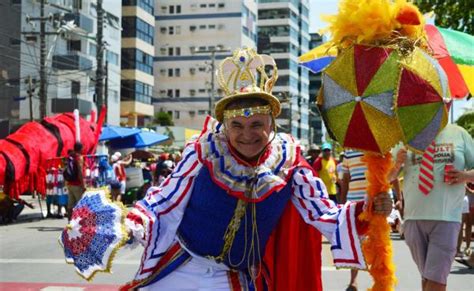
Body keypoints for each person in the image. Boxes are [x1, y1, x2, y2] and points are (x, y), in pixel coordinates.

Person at [121, 48, 393, 290]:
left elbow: (322, 212)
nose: (246, 135)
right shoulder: (202, 152)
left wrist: (367, 210)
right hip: (183, 266)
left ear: (271, 124)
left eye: (256, 125)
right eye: (236, 125)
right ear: (225, 126)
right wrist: (132, 225)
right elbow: (164, 200)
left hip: (237, 278)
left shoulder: (289, 162)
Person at [390, 124, 474, 291]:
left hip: (447, 218)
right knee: (428, 278)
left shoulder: (458, 133)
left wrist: (465, 176)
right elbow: (384, 178)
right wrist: (396, 165)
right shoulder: (406, 135)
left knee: (435, 281)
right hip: (413, 219)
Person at [339, 150, 367, 291]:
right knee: (355, 243)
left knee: (379, 244)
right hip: (354, 204)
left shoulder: (379, 148)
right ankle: (354, 281)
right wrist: (343, 202)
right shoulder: (349, 153)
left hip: (375, 203)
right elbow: (345, 179)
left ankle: (381, 281)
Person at [65, 142, 85, 221]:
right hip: (77, 184)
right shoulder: (79, 157)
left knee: (70, 205)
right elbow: (80, 171)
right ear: (81, 148)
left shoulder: (70, 156)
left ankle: (69, 223)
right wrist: (83, 184)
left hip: (70, 184)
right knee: (80, 204)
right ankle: (80, 222)